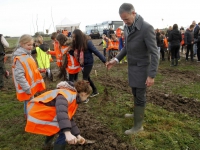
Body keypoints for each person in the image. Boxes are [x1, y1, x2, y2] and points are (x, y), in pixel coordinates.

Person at [106, 3, 159, 135]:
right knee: (134, 93)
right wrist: (116, 59)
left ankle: (138, 126)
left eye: (126, 19)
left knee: (140, 96)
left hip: (142, 69)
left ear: (133, 13)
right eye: (123, 19)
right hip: (132, 68)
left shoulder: (146, 28)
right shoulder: (127, 27)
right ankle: (136, 113)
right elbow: (126, 48)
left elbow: (154, 53)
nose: (125, 22)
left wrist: (151, 75)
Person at [25, 80, 92, 150]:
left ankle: (47, 144)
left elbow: (67, 118)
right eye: (87, 96)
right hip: (39, 114)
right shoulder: (66, 95)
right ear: (84, 94)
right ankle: (52, 145)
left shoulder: (72, 96)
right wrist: (67, 133)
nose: (86, 99)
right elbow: (62, 113)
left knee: (55, 127)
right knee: (64, 133)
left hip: (44, 113)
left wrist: (78, 135)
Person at [12, 34, 46, 119]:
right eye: (28, 45)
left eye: (32, 45)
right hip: (27, 86)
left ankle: (28, 115)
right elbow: (19, 76)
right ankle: (30, 117)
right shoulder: (20, 58)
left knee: (28, 101)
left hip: (30, 85)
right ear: (21, 44)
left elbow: (30, 69)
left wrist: (38, 70)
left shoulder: (27, 55)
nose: (31, 47)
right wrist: (27, 88)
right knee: (29, 102)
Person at [72, 29, 106, 99]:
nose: (73, 38)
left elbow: (96, 52)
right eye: (73, 37)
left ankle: (85, 96)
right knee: (88, 78)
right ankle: (95, 90)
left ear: (79, 36)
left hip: (88, 63)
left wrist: (104, 60)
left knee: (84, 79)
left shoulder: (87, 43)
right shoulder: (77, 43)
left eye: (74, 37)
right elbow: (74, 53)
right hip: (82, 63)